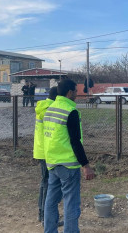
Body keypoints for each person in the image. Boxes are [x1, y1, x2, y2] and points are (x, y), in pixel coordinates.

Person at [43, 79, 94, 233]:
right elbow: (75, 141)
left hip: (52, 162)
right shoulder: (70, 111)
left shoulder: (50, 108)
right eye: (76, 92)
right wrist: (86, 165)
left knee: (51, 202)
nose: (77, 95)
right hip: (68, 165)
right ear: (70, 92)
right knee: (71, 204)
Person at [33, 87, 58, 225]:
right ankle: (45, 217)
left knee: (45, 182)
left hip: (40, 149)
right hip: (47, 151)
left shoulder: (42, 106)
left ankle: (41, 214)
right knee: (49, 184)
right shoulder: (51, 109)